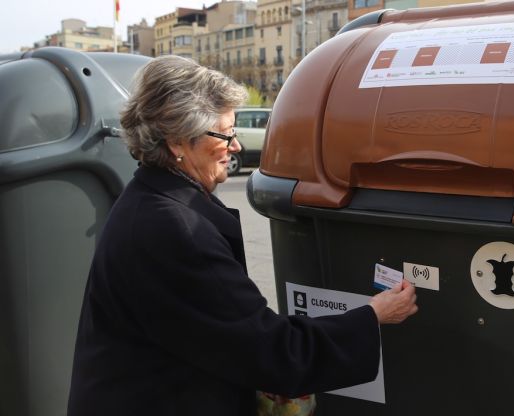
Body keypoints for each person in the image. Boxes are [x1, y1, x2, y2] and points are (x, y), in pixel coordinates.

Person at [67, 55, 418, 416]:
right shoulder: (175, 231)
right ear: (177, 141)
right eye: (225, 133)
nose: (235, 146)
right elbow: (273, 351)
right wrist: (371, 316)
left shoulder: (147, 199)